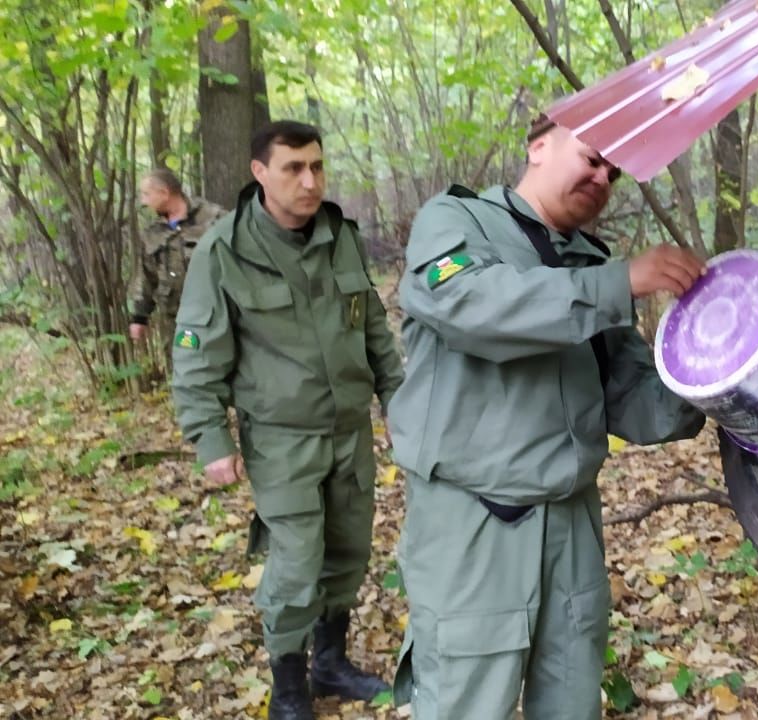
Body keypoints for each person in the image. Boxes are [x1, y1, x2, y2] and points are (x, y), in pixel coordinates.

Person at [389, 114, 707, 720]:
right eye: (591, 157)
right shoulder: (456, 223)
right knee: (466, 702)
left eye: (612, 172)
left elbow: (634, 401)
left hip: (571, 521)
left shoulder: (590, 261)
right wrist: (619, 284)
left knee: (570, 697)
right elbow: (469, 306)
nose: (601, 175)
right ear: (538, 145)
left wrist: (711, 375)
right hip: (475, 522)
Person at [171, 120, 404, 720]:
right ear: (259, 173)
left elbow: (373, 329)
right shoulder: (225, 250)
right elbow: (198, 353)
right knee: (297, 563)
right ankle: (290, 687)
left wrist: (398, 402)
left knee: (347, 552)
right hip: (282, 439)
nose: (310, 180)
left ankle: (330, 663)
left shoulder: (340, 235)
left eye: (317, 167)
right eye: (294, 169)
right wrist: (210, 438)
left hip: (349, 432)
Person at [129, 168, 225, 352]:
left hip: (218, 317)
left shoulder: (215, 219)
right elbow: (147, 276)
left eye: (147, 194)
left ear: (164, 193)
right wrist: (139, 317)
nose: (143, 201)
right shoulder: (153, 233)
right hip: (179, 323)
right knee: (186, 373)